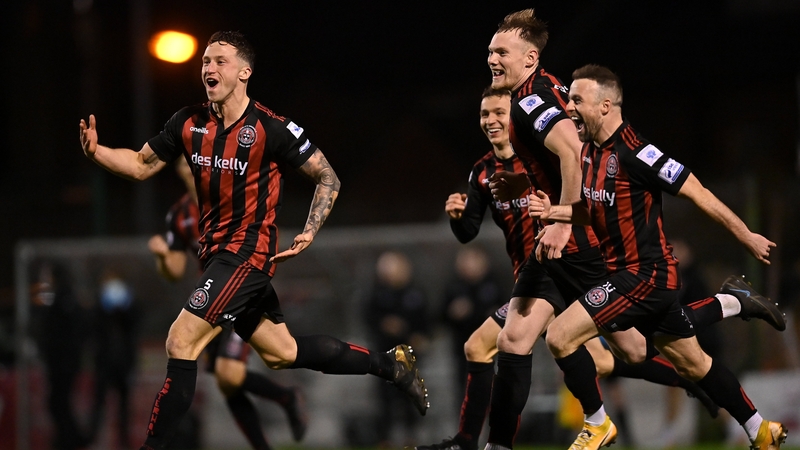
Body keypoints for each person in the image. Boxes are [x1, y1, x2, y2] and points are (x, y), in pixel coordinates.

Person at [78, 31, 428, 450]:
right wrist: (98, 152)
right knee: (282, 353)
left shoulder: (270, 127)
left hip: (246, 254)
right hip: (218, 257)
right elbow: (139, 164)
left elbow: (327, 176)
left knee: (181, 340)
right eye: (205, 61)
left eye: (220, 61)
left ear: (244, 72)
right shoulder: (188, 122)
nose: (209, 68)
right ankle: (390, 365)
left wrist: (310, 228)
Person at [475, 11, 785, 450]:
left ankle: (593, 423)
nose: (568, 107)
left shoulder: (633, 152)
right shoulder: (593, 152)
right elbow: (583, 199)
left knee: (557, 337)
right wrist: (549, 205)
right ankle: (759, 423)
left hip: (643, 274)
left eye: (577, 101)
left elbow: (695, 190)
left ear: (604, 106)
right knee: (675, 359)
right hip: (623, 272)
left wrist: (745, 234)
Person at [416, 87, 723, 450]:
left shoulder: (542, 158)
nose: (491, 120)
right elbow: (468, 231)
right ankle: (700, 354)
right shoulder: (482, 172)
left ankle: (480, 442)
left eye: (500, 112)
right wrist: (458, 217)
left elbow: (583, 186)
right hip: (533, 278)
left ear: (515, 118)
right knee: (621, 354)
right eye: (485, 114)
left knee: (488, 344)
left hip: (563, 270)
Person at [147, 157, 308, 450]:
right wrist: (162, 256)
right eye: (185, 163)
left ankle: (287, 399)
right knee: (227, 381)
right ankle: (284, 402)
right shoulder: (180, 215)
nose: (192, 167)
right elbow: (174, 271)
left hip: (240, 291)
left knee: (230, 374)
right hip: (211, 299)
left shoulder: (230, 197)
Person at [363, 250, 431, 446]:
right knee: (384, 398)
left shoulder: (415, 293)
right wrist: (384, 324)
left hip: (409, 354)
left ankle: (411, 437)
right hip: (383, 354)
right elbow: (368, 317)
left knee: (410, 395)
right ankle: (384, 439)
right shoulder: (376, 293)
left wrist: (419, 336)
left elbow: (426, 321)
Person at [30, 261, 91, 450]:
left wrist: (66, 355)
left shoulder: (65, 301)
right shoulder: (59, 300)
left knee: (58, 403)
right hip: (61, 362)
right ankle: (71, 439)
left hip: (63, 363)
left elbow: (71, 332)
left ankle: (71, 440)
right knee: (57, 403)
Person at [88, 271, 140, 448]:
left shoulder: (128, 316)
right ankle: (93, 439)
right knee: (98, 405)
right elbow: (94, 326)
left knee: (123, 407)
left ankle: (123, 442)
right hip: (105, 364)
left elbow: (134, 323)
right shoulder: (100, 315)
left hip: (122, 365)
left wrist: (124, 308)